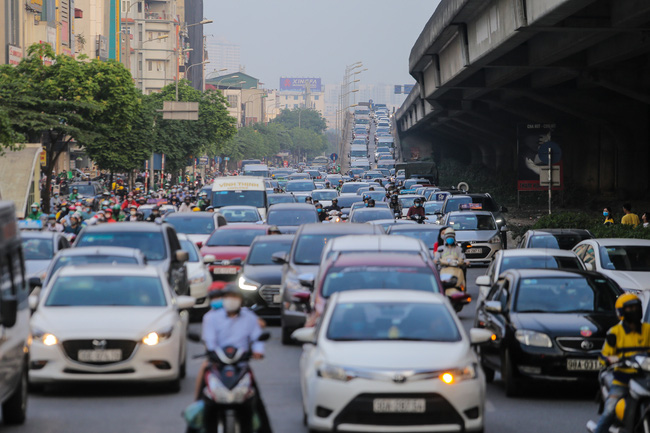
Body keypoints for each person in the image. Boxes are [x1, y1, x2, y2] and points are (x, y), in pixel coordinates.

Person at [194, 285, 267, 433]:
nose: (231, 300)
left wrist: (258, 352)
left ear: (240, 300)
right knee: (204, 401)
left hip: (241, 365)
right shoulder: (211, 318)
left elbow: (257, 338)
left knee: (256, 403)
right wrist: (212, 354)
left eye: (234, 297)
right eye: (228, 296)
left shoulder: (250, 317)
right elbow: (210, 341)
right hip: (217, 365)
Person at [594, 294, 650, 433]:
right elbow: (603, 357)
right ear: (621, 312)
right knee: (610, 411)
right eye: (630, 308)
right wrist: (611, 360)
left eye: (636, 307)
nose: (634, 310)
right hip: (622, 380)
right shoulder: (615, 333)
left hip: (645, 378)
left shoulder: (648, 330)